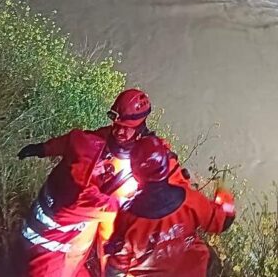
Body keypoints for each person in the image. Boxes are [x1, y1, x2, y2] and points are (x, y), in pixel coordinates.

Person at [18, 89, 189, 277]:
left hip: (115, 221)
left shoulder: (154, 154)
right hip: (94, 214)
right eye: (116, 124)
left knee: (113, 261)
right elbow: (74, 142)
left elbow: (176, 186)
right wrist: (45, 148)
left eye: (126, 127)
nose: (119, 131)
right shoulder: (103, 138)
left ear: (140, 125)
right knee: (83, 256)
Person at [104, 136, 236, 277]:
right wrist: (224, 194)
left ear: (136, 173)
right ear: (166, 165)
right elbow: (223, 221)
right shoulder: (189, 199)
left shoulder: (128, 216)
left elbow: (117, 265)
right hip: (197, 271)